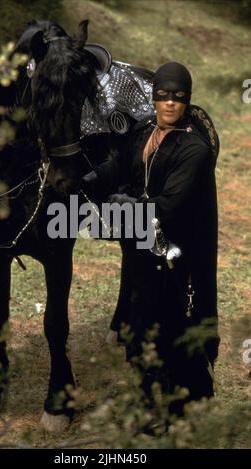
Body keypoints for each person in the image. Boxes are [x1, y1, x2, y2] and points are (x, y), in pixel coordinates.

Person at [83, 61, 220, 415]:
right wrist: (88, 179)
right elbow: (120, 164)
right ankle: (144, 397)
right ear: (154, 97)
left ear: (187, 100)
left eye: (179, 96)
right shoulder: (144, 132)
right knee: (139, 324)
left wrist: (127, 205)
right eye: (163, 95)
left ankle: (181, 409)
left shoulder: (194, 150)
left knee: (173, 332)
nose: (170, 103)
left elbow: (170, 207)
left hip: (177, 258)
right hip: (142, 251)